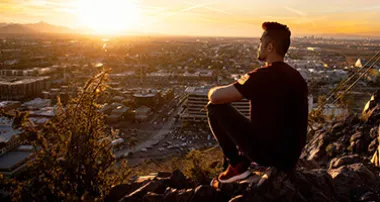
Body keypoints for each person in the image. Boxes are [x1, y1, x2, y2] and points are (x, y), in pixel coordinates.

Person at [207, 22, 308, 184]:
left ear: (270, 47)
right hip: (290, 158)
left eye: (261, 42)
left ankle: (236, 165)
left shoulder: (260, 76)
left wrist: (211, 90)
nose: (258, 46)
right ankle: (243, 161)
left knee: (214, 109)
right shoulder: (298, 77)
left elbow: (216, 97)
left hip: (267, 154)